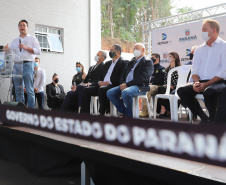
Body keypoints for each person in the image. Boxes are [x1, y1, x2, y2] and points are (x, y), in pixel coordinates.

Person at [177, 19, 226, 124]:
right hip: (201, 82)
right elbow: (195, 70)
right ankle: (204, 117)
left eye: (204, 29)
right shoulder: (199, 49)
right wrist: (196, 82)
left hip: (218, 82)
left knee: (209, 91)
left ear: (214, 31)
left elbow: (223, 71)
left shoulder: (223, 46)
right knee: (182, 90)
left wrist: (206, 84)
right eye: (201, 30)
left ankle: (213, 119)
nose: (202, 32)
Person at [107, 43, 154, 117]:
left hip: (140, 87)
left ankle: (129, 115)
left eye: (137, 48)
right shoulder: (131, 61)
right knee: (110, 93)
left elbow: (143, 78)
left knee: (126, 92)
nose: (135, 50)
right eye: (134, 49)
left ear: (143, 50)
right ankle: (126, 112)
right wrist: (123, 83)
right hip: (127, 85)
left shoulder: (148, 62)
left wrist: (127, 85)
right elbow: (123, 74)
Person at [80, 44, 128, 115]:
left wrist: (108, 82)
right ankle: (85, 114)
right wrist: (100, 82)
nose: (110, 52)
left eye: (112, 50)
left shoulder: (124, 62)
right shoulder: (107, 63)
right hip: (102, 85)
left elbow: (121, 77)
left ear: (118, 52)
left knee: (102, 89)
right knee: (85, 90)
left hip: (113, 85)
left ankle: (102, 113)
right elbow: (101, 75)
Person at [3, 20, 41, 108]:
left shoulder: (32, 39)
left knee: (29, 89)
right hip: (16, 65)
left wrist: (26, 47)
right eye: (20, 25)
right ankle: (20, 112)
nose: (22, 27)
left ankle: (31, 112)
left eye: (24, 25)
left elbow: (38, 51)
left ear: (27, 27)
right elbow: (10, 51)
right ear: (18, 27)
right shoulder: (15, 40)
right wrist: (6, 50)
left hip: (28, 64)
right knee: (18, 90)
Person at [139, 53, 165, 118]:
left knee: (147, 89)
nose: (151, 59)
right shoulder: (149, 68)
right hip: (150, 86)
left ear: (157, 59)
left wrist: (152, 83)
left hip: (158, 86)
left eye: (153, 58)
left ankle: (145, 111)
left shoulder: (161, 68)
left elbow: (161, 80)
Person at [157, 52, 181, 118]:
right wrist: (167, 85)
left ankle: (165, 110)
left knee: (162, 89)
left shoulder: (179, 68)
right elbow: (165, 80)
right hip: (167, 86)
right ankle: (164, 109)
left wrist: (173, 86)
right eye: (168, 56)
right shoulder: (167, 69)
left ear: (174, 58)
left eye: (170, 56)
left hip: (175, 87)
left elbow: (180, 80)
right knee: (161, 88)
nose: (168, 58)